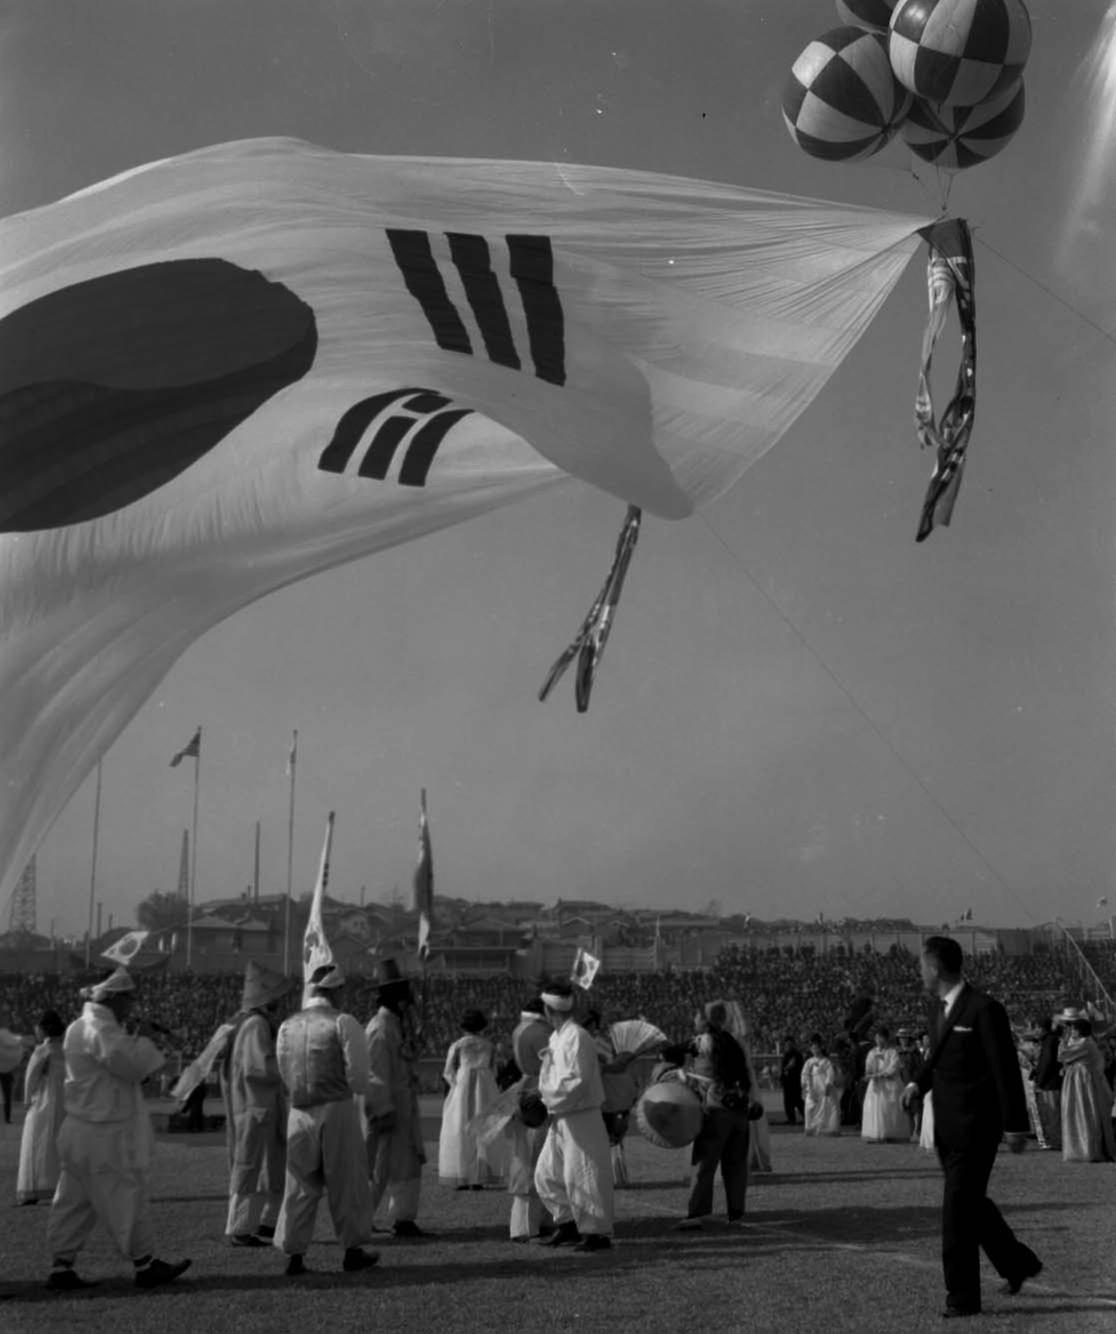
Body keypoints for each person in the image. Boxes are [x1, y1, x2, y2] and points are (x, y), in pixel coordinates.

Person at [902, 936, 1041, 1320]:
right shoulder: (936, 1011)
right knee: (971, 1206)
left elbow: (1005, 1070)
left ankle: (962, 1297)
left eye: (921, 965)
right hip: (946, 1127)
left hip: (976, 1128)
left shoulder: (984, 1009)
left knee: (956, 1213)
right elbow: (936, 1058)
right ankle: (1017, 1263)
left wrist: (1016, 1125)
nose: (919, 972)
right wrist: (917, 1083)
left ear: (936, 968)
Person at [44, 966, 191, 1291]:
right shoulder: (100, 1030)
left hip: (81, 1129)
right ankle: (145, 1264)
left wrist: (134, 1036)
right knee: (125, 1196)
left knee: (74, 1201)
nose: (132, 1004)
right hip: (102, 1132)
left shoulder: (82, 1026)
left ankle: (61, 1265)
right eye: (128, 998)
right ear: (114, 998)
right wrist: (146, 1039)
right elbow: (132, 1067)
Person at [273, 962, 379, 1277]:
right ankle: (352, 1250)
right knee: (346, 1181)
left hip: (300, 1110)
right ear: (335, 990)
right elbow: (359, 1074)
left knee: (299, 1183)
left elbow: (283, 1069)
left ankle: (294, 1254)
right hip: (336, 1107)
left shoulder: (287, 1026)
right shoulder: (343, 1022)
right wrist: (353, 1090)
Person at [534, 981, 614, 1252]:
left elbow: (576, 1081)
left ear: (548, 1009)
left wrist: (543, 1095)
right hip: (562, 1115)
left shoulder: (577, 1036)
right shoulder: (557, 1037)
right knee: (546, 1174)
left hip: (581, 1115)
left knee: (584, 1175)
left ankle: (596, 1234)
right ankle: (567, 1224)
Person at [223, 961, 295, 1246]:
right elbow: (259, 1067)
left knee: (269, 1169)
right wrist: (288, 1068)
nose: (280, 1000)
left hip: (263, 1108)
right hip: (256, 1110)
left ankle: (265, 1222)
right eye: (276, 995)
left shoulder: (252, 1023)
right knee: (251, 1168)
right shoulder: (255, 1025)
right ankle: (241, 1228)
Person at [676, 1000, 757, 1230]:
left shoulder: (703, 1041)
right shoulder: (734, 1040)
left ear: (706, 1019)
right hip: (739, 1109)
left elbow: (673, 1051)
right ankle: (736, 1213)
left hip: (717, 1109)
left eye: (696, 1016)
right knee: (736, 1165)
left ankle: (697, 1213)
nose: (694, 1020)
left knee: (704, 1162)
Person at [365, 958, 429, 1238]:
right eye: (403, 995)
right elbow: (376, 1075)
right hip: (389, 1110)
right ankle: (361, 1217)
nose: (408, 1000)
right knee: (381, 1167)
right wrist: (383, 1110)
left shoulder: (395, 1025)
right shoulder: (380, 1029)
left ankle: (403, 1218)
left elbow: (406, 1058)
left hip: (403, 1106)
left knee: (406, 1163)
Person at [437, 1008, 504, 1189]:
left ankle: (462, 1175)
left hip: (463, 1089)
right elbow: (494, 1071)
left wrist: (456, 1086)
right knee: (483, 1131)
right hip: (485, 1089)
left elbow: (448, 1071)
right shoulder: (488, 1046)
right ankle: (479, 1177)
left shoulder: (458, 1045)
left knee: (460, 1130)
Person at [505, 997, 552, 1241]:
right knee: (536, 1159)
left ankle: (533, 1221)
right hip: (538, 1094)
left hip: (523, 1091)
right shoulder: (542, 1032)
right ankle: (529, 1224)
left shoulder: (520, 1029)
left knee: (526, 1156)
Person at [583, 1007, 640, 1187]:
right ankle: (617, 1176)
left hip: (612, 1095)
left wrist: (605, 1067)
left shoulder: (599, 1042)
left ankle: (613, 1176)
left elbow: (614, 1066)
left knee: (611, 1136)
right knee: (614, 1137)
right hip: (617, 1094)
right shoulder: (606, 1041)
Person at [16, 1009, 67, 1204]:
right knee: (59, 1146)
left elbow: (31, 1078)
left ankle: (32, 1189)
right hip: (64, 1102)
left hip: (43, 1102)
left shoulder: (41, 1051)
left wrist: (27, 1101)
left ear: (43, 1029)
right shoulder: (66, 1049)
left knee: (35, 1144)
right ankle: (59, 1188)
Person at [1056, 1008, 1116, 1163]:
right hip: (1079, 1082)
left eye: (1072, 1028)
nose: (1070, 1031)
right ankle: (1082, 1148)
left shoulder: (1085, 1043)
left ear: (1079, 1030)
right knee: (1080, 1113)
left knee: (1085, 1113)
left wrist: (1063, 1041)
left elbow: (1063, 1055)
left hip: (1084, 1083)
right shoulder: (1083, 1042)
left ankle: (1088, 1149)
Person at [861, 1027, 908, 1143]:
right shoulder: (872, 1052)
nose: (878, 1040)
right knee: (875, 1108)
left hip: (890, 1084)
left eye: (880, 1038)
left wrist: (881, 1074)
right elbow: (869, 1067)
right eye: (876, 1038)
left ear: (885, 1039)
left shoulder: (893, 1052)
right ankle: (875, 1133)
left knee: (888, 1109)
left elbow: (894, 1068)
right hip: (876, 1084)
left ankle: (890, 1134)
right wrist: (871, 1072)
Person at [1031, 1015, 1062, 1151]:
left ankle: (1056, 1141)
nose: (1034, 1031)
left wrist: (1040, 1079)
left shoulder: (1050, 1041)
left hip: (1050, 1083)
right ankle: (1054, 1140)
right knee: (1051, 1112)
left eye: (1035, 1028)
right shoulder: (1049, 1040)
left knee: (1052, 1112)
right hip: (1050, 1081)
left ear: (1041, 1028)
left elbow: (1047, 1062)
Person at [801, 1033, 840, 1136]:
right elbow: (804, 1074)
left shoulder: (826, 1061)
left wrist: (828, 1085)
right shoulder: (809, 1062)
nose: (815, 1050)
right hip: (812, 1088)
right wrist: (804, 1086)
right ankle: (810, 1128)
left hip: (824, 1088)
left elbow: (830, 1074)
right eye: (813, 1048)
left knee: (828, 1107)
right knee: (809, 1107)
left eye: (816, 1048)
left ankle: (828, 1129)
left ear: (820, 1048)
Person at [0, 1007, 31, 1125]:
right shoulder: (3, 1033)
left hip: (6, 1068)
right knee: (7, 1093)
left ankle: (7, 1117)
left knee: (7, 1093)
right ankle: (7, 1118)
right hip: (6, 1067)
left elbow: (13, 1042)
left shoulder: (6, 1032)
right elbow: (12, 1042)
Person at [779, 1035, 805, 1126]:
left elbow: (797, 1068)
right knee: (788, 1102)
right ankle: (791, 1119)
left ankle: (807, 1117)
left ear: (793, 1044)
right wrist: (782, 1079)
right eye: (787, 1044)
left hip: (795, 1082)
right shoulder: (786, 1054)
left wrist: (788, 1068)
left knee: (797, 1101)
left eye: (790, 1044)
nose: (788, 1046)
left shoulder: (797, 1054)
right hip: (787, 1082)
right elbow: (784, 1068)